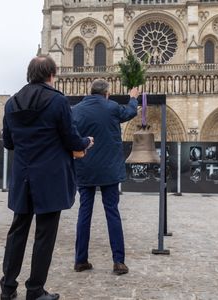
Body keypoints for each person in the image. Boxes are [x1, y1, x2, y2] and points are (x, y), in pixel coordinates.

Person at [0, 55, 94, 300]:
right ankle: (35, 290)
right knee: (44, 235)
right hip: (50, 178)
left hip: (22, 178)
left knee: (17, 231)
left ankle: (7, 289)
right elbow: (71, 139)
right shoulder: (58, 101)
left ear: (30, 74)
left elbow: (8, 142)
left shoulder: (11, 103)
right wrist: (87, 142)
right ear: (52, 75)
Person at [72, 79, 139, 275]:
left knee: (84, 213)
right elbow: (131, 112)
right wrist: (133, 98)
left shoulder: (76, 110)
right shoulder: (112, 107)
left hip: (85, 168)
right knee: (112, 213)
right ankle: (118, 261)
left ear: (90, 91)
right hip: (109, 170)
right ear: (107, 94)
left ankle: (80, 260)